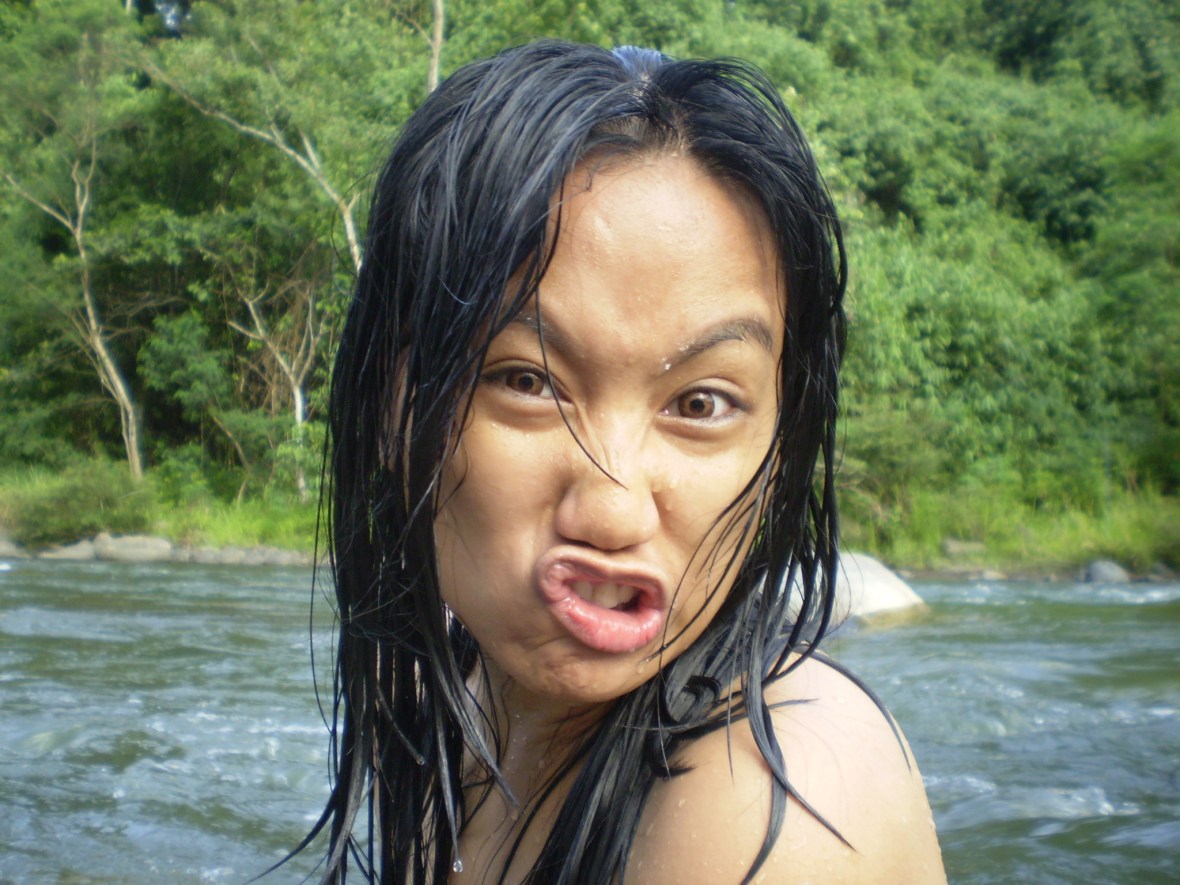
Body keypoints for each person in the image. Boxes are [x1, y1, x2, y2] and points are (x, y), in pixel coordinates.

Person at [310, 40, 946, 884]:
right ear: (393, 404)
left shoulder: (778, 796)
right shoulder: (447, 708)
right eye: (529, 381)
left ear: (780, 446)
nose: (613, 513)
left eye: (701, 403)